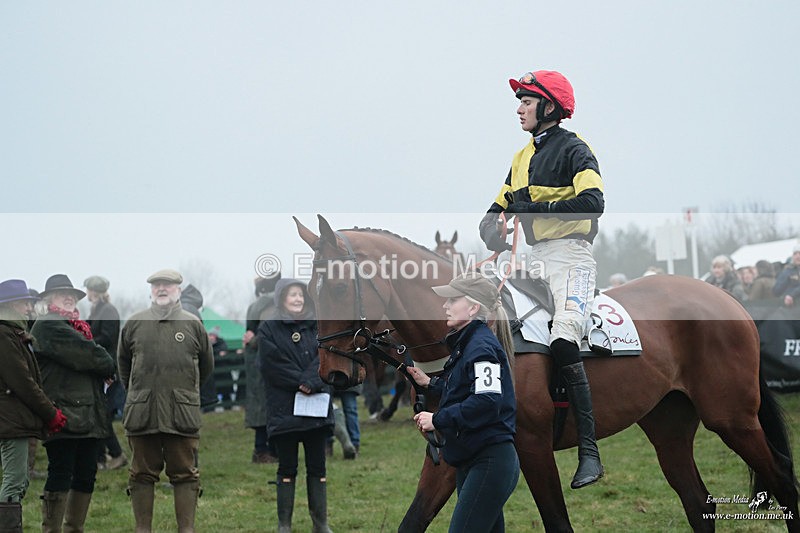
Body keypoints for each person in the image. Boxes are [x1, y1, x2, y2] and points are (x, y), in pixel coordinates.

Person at [478, 69, 604, 489]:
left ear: (548, 106)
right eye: (520, 102)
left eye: (526, 102)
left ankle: (589, 451)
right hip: (532, 260)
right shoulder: (520, 158)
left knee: (564, 338)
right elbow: (497, 207)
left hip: (571, 258)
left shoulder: (576, 149)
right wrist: (491, 226)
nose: (519, 109)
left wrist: (533, 206)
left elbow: (593, 202)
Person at [407, 272, 519, 533]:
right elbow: (467, 388)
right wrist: (430, 384)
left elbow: (486, 402)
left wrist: (437, 419)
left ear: (472, 307)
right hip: (473, 459)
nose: (445, 305)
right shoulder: (467, 345)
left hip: (489, 462)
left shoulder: (480, 348)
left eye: (452, 300)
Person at [117, 269, 214, 533]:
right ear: (150, 290)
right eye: (157, 285)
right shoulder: (134, 323)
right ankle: (142, 529)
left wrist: (183, 395)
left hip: (181, 414)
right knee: (140, 474)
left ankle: (187, 529)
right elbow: (123, 365)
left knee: (184, 474)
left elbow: (206, 366)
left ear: (178, 290)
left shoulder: (193, 323)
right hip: (143, 413)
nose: (162, 289)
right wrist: (140, 394)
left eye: (168, 285)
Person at [31, 274, 116, 532]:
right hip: (63, 413)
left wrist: (99, 359)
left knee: (85, 475)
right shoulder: (49, 325)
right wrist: (102, 360)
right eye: (62, 294)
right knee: (60, 473)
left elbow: (93, 357)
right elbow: (96, 358)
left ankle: (73, 529)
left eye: (74, 294)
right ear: (48, 300)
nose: (70, 297)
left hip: (88, 413)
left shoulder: (78, 327)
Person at [258, 278, 333, 533]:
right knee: (287, 467)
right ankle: (284, 525)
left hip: (315, 409)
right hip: (284, 409)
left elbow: (325, 356)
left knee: (317, 467)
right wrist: (301, 382)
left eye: (301, 295)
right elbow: (271, 365)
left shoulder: (319, 326)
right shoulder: (268, 328)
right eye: (292, 295)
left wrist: (312, 381)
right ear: (282, 299)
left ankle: (320, 524)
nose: (298, 299)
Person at [0, 280, 66, 532]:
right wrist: (50, 413)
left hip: (14, 418)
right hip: (11, 419)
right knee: (15, 482)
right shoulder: (4, 335)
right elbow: (23, 382)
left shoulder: (12, 333)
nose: (30, 307)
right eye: (26, 302)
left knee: (18, 481)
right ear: (11, 305)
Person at [84, 275, 127, 471]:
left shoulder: (107, 310)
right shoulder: (98, 310)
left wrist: (86, 341)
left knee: (102, 415)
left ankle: (116, 454)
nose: (87, 294)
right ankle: (99, 457)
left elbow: (108, 338)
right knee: (99, 414)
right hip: (99, 367)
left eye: (89, 291)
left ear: (95, 291)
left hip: (107, 368)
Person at [242, 275, 281, 464]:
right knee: (268, 406)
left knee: (262, 405)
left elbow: (255, 332)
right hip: (267, 362)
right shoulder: (273, 305)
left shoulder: (258, 305)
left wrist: (252, 340)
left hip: (259, 361)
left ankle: (264, 448)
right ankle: (265, 450)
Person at [773, 243, 800, 307]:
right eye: (795, 254)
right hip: (789, 309)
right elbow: (776, 291)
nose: (798, 256)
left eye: (799, 253)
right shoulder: (787, 271)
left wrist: (792, 295)